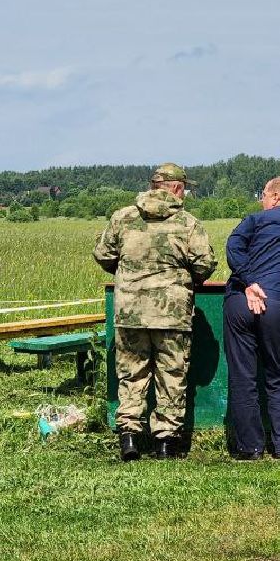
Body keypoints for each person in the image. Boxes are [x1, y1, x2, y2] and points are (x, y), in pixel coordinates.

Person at [93, 162, 216, 461]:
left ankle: (130, 438)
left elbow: (103, 255)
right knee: (172, 374)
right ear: (175, 188)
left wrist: (129, 274)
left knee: (131, 374)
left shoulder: (122, 218)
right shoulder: (188, 223)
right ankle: (166, 442)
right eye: (184, 187)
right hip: (172, 312)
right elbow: (204, 264)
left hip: (130, 310)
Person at [223, 176, 280, 460]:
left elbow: (233, 249)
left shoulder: (253, 221)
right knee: (279, 375)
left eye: (263, 194)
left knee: (243, 375)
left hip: (240, 301)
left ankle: (249, 447)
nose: (262, 200)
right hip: (276, 304)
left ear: (275, 197)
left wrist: (250, 282)